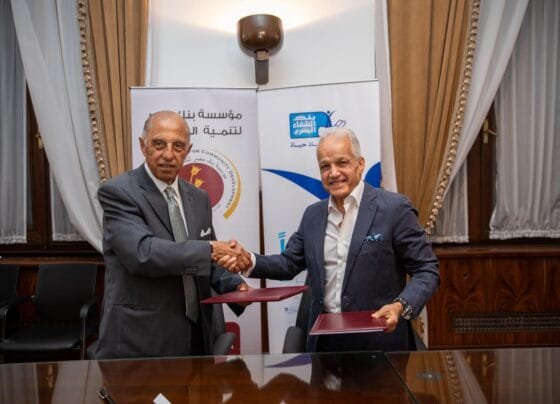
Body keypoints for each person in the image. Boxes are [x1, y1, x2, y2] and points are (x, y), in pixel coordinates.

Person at [220, 127, 440, 352]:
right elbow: (289, 263)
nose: (333, 173)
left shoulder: (394, 209)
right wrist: (249, 260)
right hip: (325, 343)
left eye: (342, 163)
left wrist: (400, 306)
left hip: (380, 340)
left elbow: (426, 270)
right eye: (325, 166)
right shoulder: (313, 215)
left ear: (360, 164)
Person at [94, 110, 250, 359]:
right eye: (159, 144)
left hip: (197, 333)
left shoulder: (199, 197)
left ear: (188, 150)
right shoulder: (118, 192)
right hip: (141, 338)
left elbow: (207, 260)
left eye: (178, 146)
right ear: (143, 146)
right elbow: (143, 253)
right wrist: (212, 248)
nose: (168, 154)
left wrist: (236, 287)